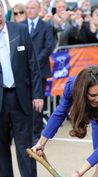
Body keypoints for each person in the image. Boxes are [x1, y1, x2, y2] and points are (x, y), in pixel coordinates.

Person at [0, 0, 44, 177]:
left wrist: (37, 94)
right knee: (1, 145)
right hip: (1, 99)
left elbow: (33, 65)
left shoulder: (20, 30)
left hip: (21, 96)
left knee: (25, 143)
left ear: (4, 11)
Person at [24, 0, 54, 143]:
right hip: (23, 72)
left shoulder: (46, 27)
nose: (29, 10)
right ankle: (26, 131)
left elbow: (48, 47)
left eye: (32, 8)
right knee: (24, 102)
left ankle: (36, 133)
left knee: (38, 102)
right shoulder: (20, 26)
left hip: (40, 71)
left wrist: (33, 63)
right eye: (27, 8)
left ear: (38, 9)